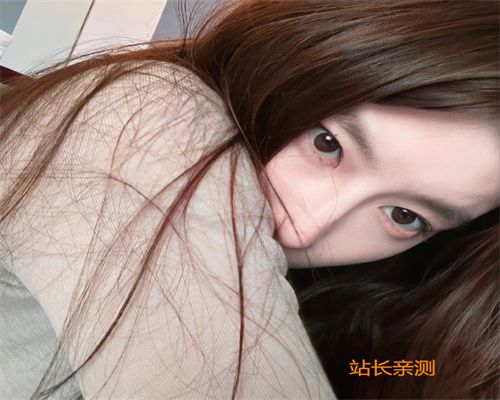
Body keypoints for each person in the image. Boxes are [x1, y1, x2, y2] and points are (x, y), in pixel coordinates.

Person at [0, 0, 497, 399]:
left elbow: (389, 367)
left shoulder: (348, 303)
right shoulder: (146, 117)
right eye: (327, 143)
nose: (302, 227)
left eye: (405, 216)